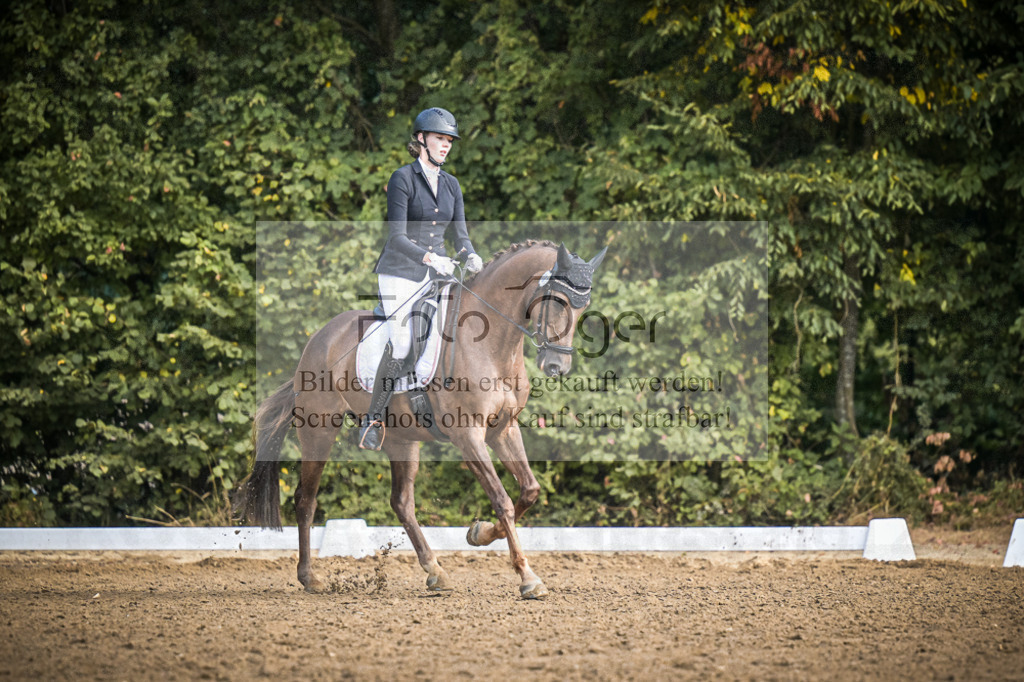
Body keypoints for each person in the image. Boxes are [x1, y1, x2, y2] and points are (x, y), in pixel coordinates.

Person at [359, 107, 483, 450]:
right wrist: (430, 258)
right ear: (421, 139)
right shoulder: (403, 178)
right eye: (440, 139)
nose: (446, 146)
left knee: (461, 327)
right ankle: (374, 419)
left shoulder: (452, 185)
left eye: (449, 141)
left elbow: (460, 236)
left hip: (438, 273)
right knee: (402, 342)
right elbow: (396, 237)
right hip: (400, 272)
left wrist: (469, 254)